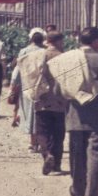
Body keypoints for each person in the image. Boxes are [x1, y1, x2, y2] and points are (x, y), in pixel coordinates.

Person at [49, 27, 98, 196]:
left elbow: (58, 91)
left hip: (75, 115)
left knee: (76, 156)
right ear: (97, 41)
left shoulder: (67, 59)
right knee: (95, 156)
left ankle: (79, 192)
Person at [34, 31, 69, 174]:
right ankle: (57, 165)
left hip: (42, 100)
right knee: (58, 134)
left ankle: (47, 154)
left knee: (42, 131)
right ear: (59, 41)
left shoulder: (39, 55)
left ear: (47, 40)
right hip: (60, 101)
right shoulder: (65, 57)